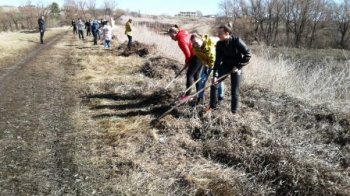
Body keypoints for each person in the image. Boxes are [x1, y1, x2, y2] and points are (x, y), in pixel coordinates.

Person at [207, 25, 251, 114]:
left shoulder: (237, 41)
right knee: (214, 83)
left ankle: (233, 112)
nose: (218, 35)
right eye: (218, 33)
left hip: (237, 66)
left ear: (227, 33)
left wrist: (238, 66)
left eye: (220, 33)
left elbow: (248, 55)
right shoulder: (219, 44)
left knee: (234, 91)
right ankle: (212, 107)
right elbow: (217, 60)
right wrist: (215, 75)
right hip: (225, 66)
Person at [168, 25, 202, 97]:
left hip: (195, 56)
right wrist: (188, 61)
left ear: (175, 32)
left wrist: (187, 61)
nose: (171, 38)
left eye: (172, 36)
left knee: (189, 75)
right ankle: (199, 95)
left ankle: (187, 96)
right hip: (201, 55)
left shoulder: (180, 40)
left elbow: (188, 54)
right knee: (196, 75)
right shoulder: (184, 32)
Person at [190, 34, 224, 105]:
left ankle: (220, 97)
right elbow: (200, 57)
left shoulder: (210, 42)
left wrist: (211, 67)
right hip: (207, 64)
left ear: (201, 39)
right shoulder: (195, 48)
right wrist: (205, 63)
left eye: (196, 42)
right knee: (202, 79)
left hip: (217, 62)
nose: (195, 44)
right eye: (193, 43)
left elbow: (213, 56)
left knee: (218, 80)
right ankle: (200, 98)